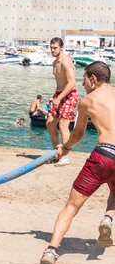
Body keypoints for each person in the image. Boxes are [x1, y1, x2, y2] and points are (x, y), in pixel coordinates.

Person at [40, 62, 115, 264]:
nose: (82, 84)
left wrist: (65, 148)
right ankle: (108, 218)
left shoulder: (87, 101)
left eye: (84, 79)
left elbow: (78, 134)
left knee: (71, 206)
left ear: (94, 79)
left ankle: (51, 250)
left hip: (103, 155)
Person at [47, 37, 78, 167]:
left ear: (61, 48)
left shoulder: (66, 61)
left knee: (63, 125)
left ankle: (66, 156)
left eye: (55, 48)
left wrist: (59, 98)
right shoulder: (55, 63)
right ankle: (57, 152)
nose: (52, 50)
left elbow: (71, 83)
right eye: (51, 48)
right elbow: (59, 82)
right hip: (58, 94)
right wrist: (56, 97)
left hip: (69, 95)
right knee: (50, 122)